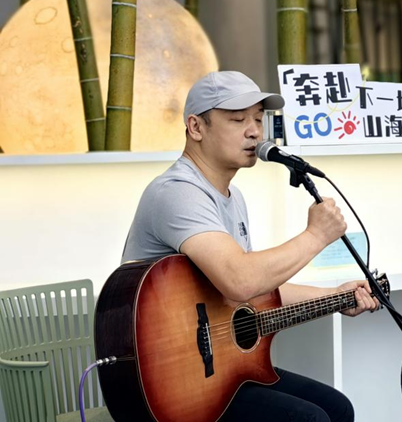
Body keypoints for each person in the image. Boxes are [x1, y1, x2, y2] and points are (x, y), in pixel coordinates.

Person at [122, 71, 377, 422]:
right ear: (196, 127)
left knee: (337, 408)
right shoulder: (177, 191)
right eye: (238, 119)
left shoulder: (233, 197)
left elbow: (255, 292)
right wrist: (316, 236)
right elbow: (240, 280)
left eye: (258, 119)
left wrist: (335, 296)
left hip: (216, 374)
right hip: (171, 386)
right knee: (309, 419)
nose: (255, 131)